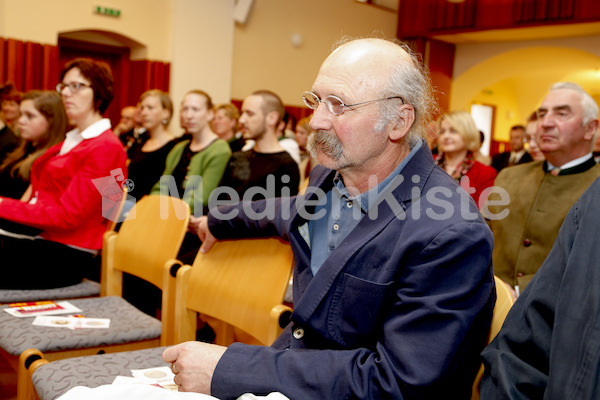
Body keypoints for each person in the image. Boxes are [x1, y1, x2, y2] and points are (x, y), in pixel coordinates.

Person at [162, 37, 495, 399]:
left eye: (338, 105)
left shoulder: (450, 233)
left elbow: (398, 384)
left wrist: (233, 368)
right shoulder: (333, 177)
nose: (316, 120)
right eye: (316, 100)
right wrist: (218, 219)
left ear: (398, 121)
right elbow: (284, 210)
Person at [0, 58, 127, 289]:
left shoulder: (106, 146)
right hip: (43, 240)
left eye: (77, 86)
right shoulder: (75, 139)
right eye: (64, 86)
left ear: (99, 92)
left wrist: (2, 205)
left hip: (67, 254)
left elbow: (68, 217)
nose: (67, 93)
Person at [480, 176, 600, 400]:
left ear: (589, 137)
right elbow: (520, 354)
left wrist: (520, 287)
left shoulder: (590, 182)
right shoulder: (510, 175)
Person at [487, 82, 600, 294]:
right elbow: (482, 238)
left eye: (562, 114)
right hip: (491, 306)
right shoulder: (509, 177)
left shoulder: (595, 185)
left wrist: (523, 289)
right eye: (541, 114)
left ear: (590, 129)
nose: (546, 123)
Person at [151, 90, 231, 253]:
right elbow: (160, 187)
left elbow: (200, 196)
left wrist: (170, 216)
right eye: (185, 109)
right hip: (164, 220)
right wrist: (151, 210)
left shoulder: (219, 149)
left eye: (195, 110)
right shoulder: (179, 148)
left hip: (189, 227)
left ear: (210, 114)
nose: (188, 115)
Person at [217, 90, 300, 201]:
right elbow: (218, 201)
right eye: (242, 113)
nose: (241, 120)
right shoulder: (238, 157)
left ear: (271, 118)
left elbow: (279, 215)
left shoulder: (286, 167)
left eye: (250, 114)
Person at [0, 90, 67, 199]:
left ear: (51, 121)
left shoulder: (51, 159)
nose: (21, 120)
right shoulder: (26, 148)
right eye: (21, 114)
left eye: (30, 116)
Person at [435, 110, 497, 208]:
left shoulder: (485, 174)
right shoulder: (427, 163)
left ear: (468, 134)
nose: (445, 136)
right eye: (442, 131)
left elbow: (480, 216)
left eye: (453, 131)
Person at [126, 90, 177, 201]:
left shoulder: (174, 147)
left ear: (165, 113)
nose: (144, 112)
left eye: (150, 108)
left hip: (151, 211)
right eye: (142, 108)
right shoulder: (141, 142)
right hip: (128, 209)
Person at [0, 82, 22, 163]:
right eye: (5, 104)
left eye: (11, 105)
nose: (6, 108)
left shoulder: (22, 130)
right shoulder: (7, 127)